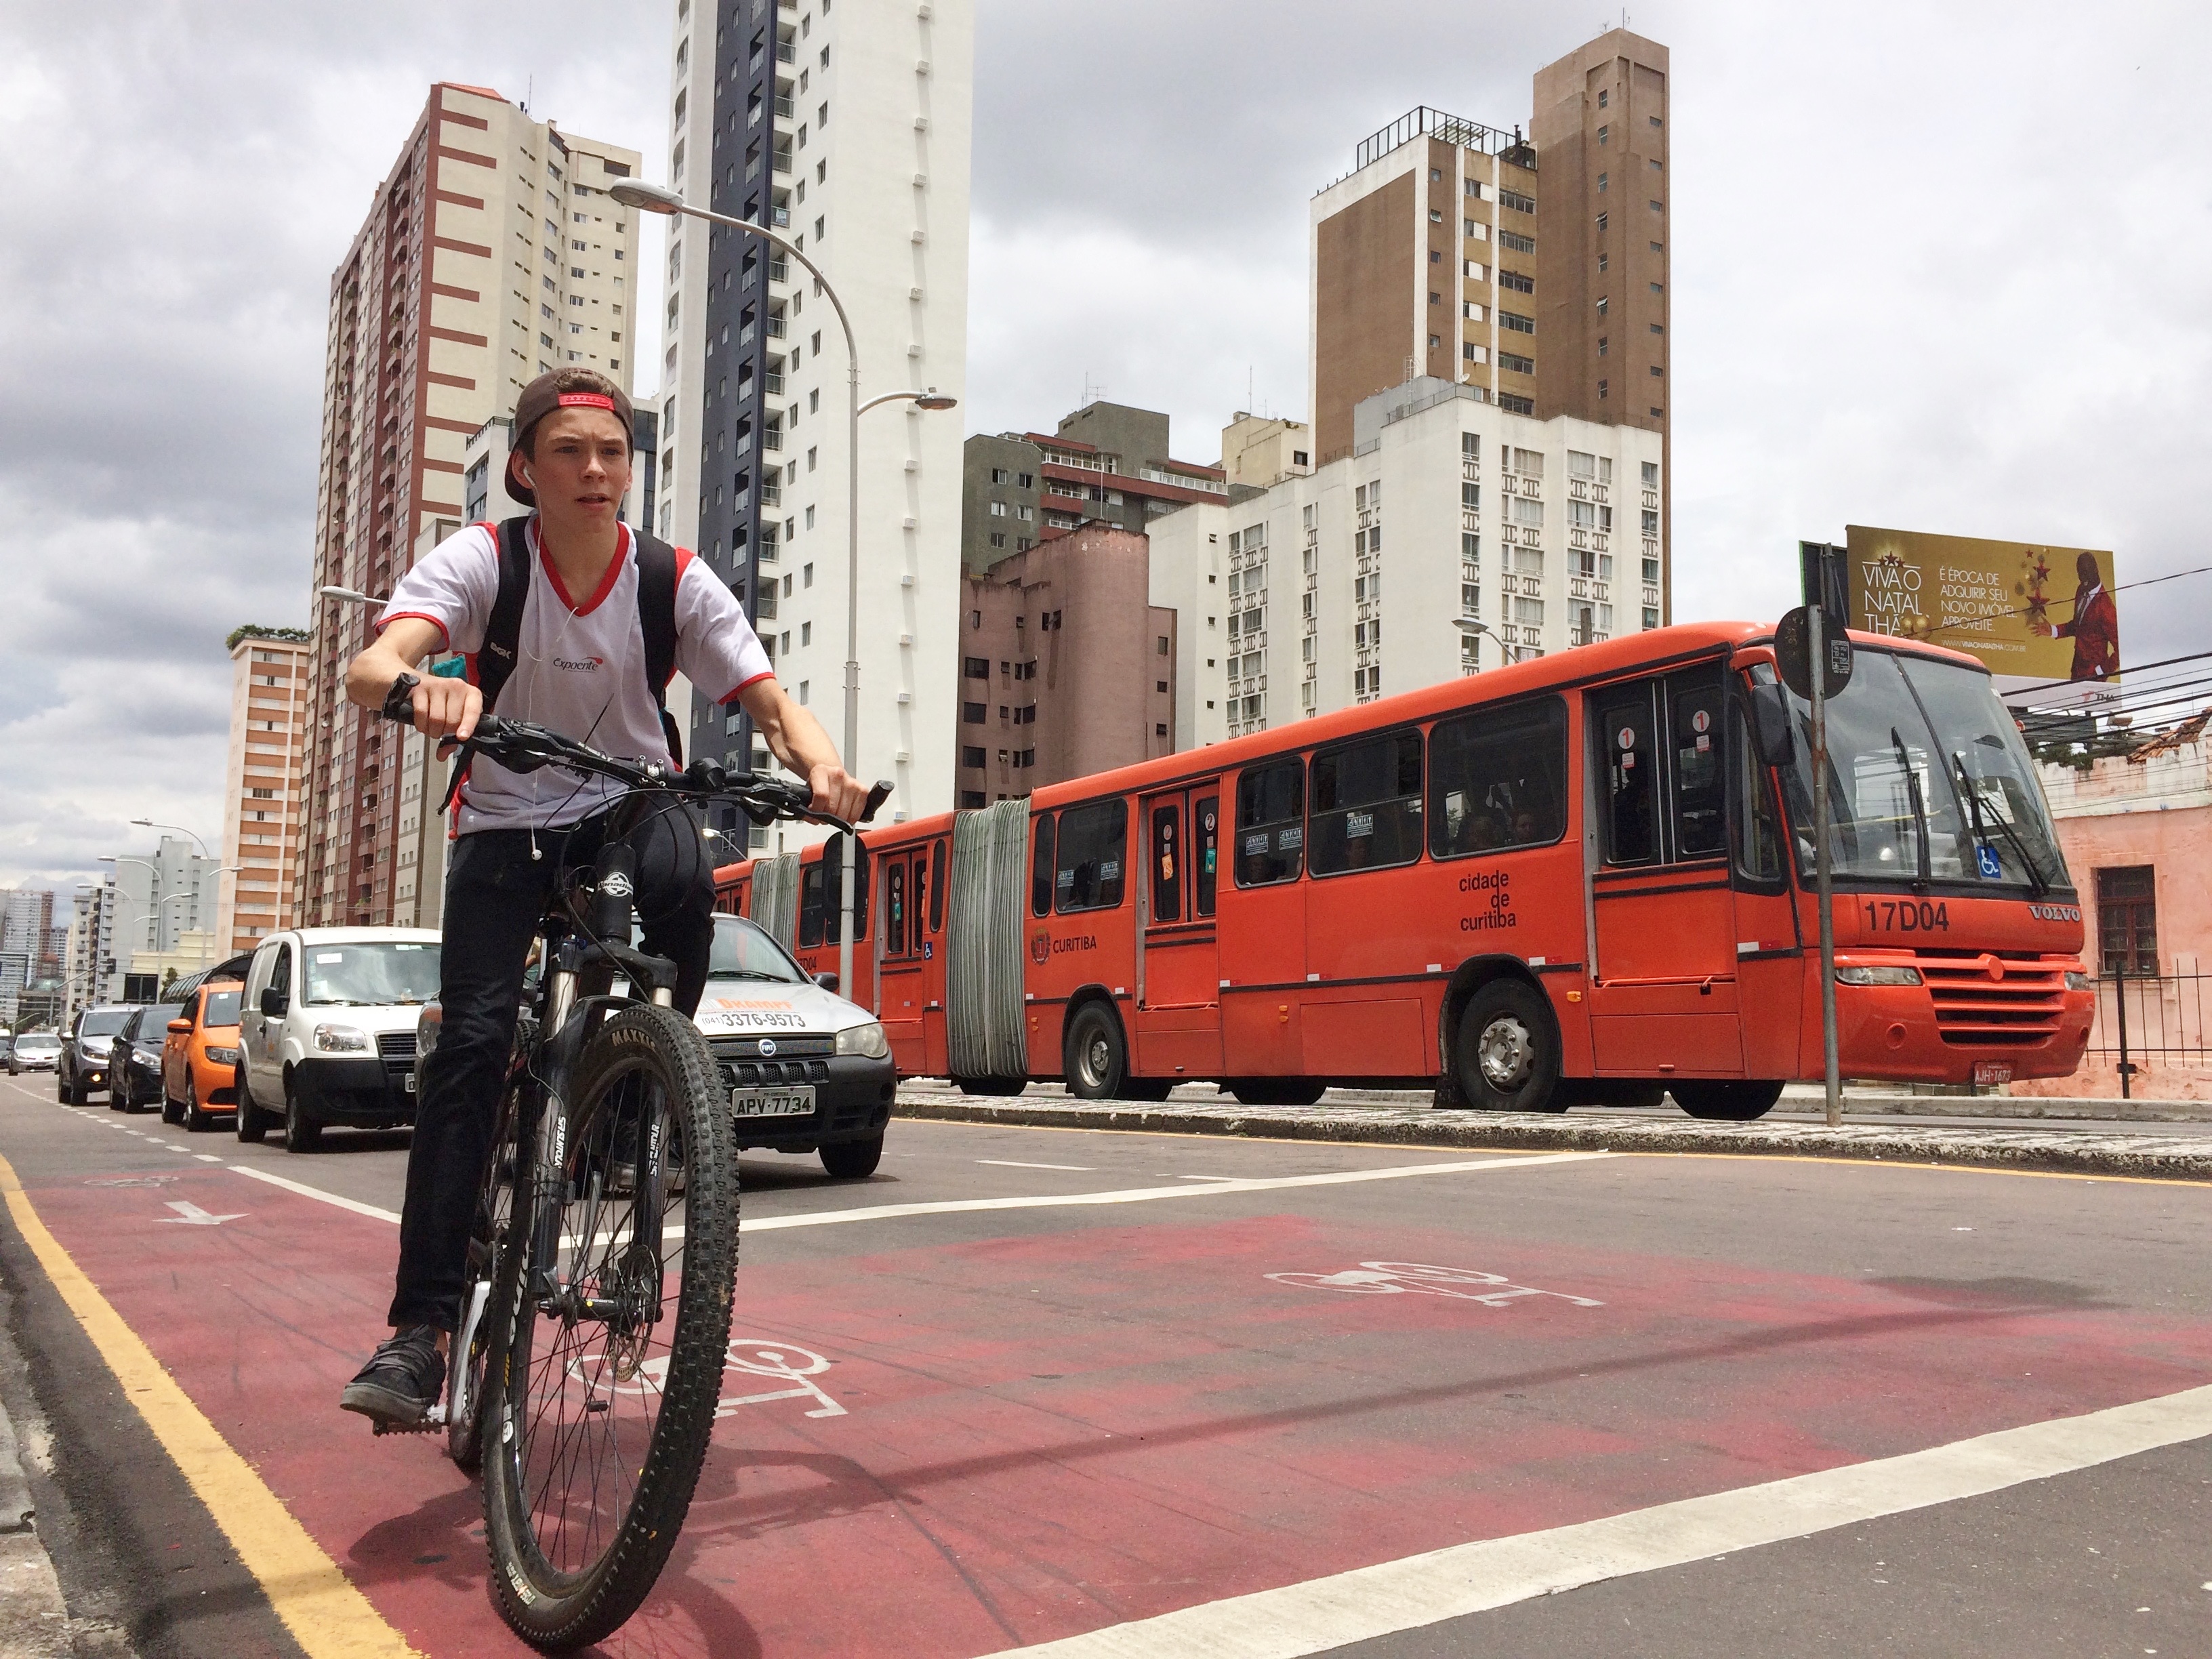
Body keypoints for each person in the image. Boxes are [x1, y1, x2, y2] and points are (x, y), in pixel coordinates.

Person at [337, 369, 867, 1429]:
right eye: (570, 451)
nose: (595, 470)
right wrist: (422, 683)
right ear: (526, 470)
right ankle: (422, 1331)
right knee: (473, 1046)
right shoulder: (489, 560)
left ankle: (648, 1097)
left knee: (686, 870)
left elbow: (772, 706)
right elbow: (372, 663)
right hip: (501, 823)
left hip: (630, 809)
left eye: (613, 452)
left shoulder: (674, 578)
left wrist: (824, 768)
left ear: (633, 469)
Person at [2041, 551, 2119, 681]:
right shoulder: (2081, 590)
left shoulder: (2106, 608)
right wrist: (2054, 631)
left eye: (2086, 572)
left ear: (2095, 570)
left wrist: (2101, 671)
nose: (2083, 578)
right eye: (2080, 573)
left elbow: (2120, 650)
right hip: (2077, 670)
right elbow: (2079, 626)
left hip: (2094, 677)